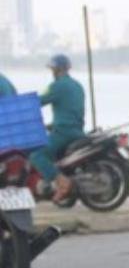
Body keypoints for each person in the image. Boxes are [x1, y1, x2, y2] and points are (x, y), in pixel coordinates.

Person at [30, 54, 87, 202]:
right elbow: (69, 109)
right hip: (77, 130)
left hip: (64, 132)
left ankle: (63, 183)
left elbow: (38, 101)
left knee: (36, 155)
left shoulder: (57, 86)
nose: (52, 72)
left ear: (57, 69)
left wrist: (20, 106)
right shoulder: (77, 85)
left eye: (52, 69)